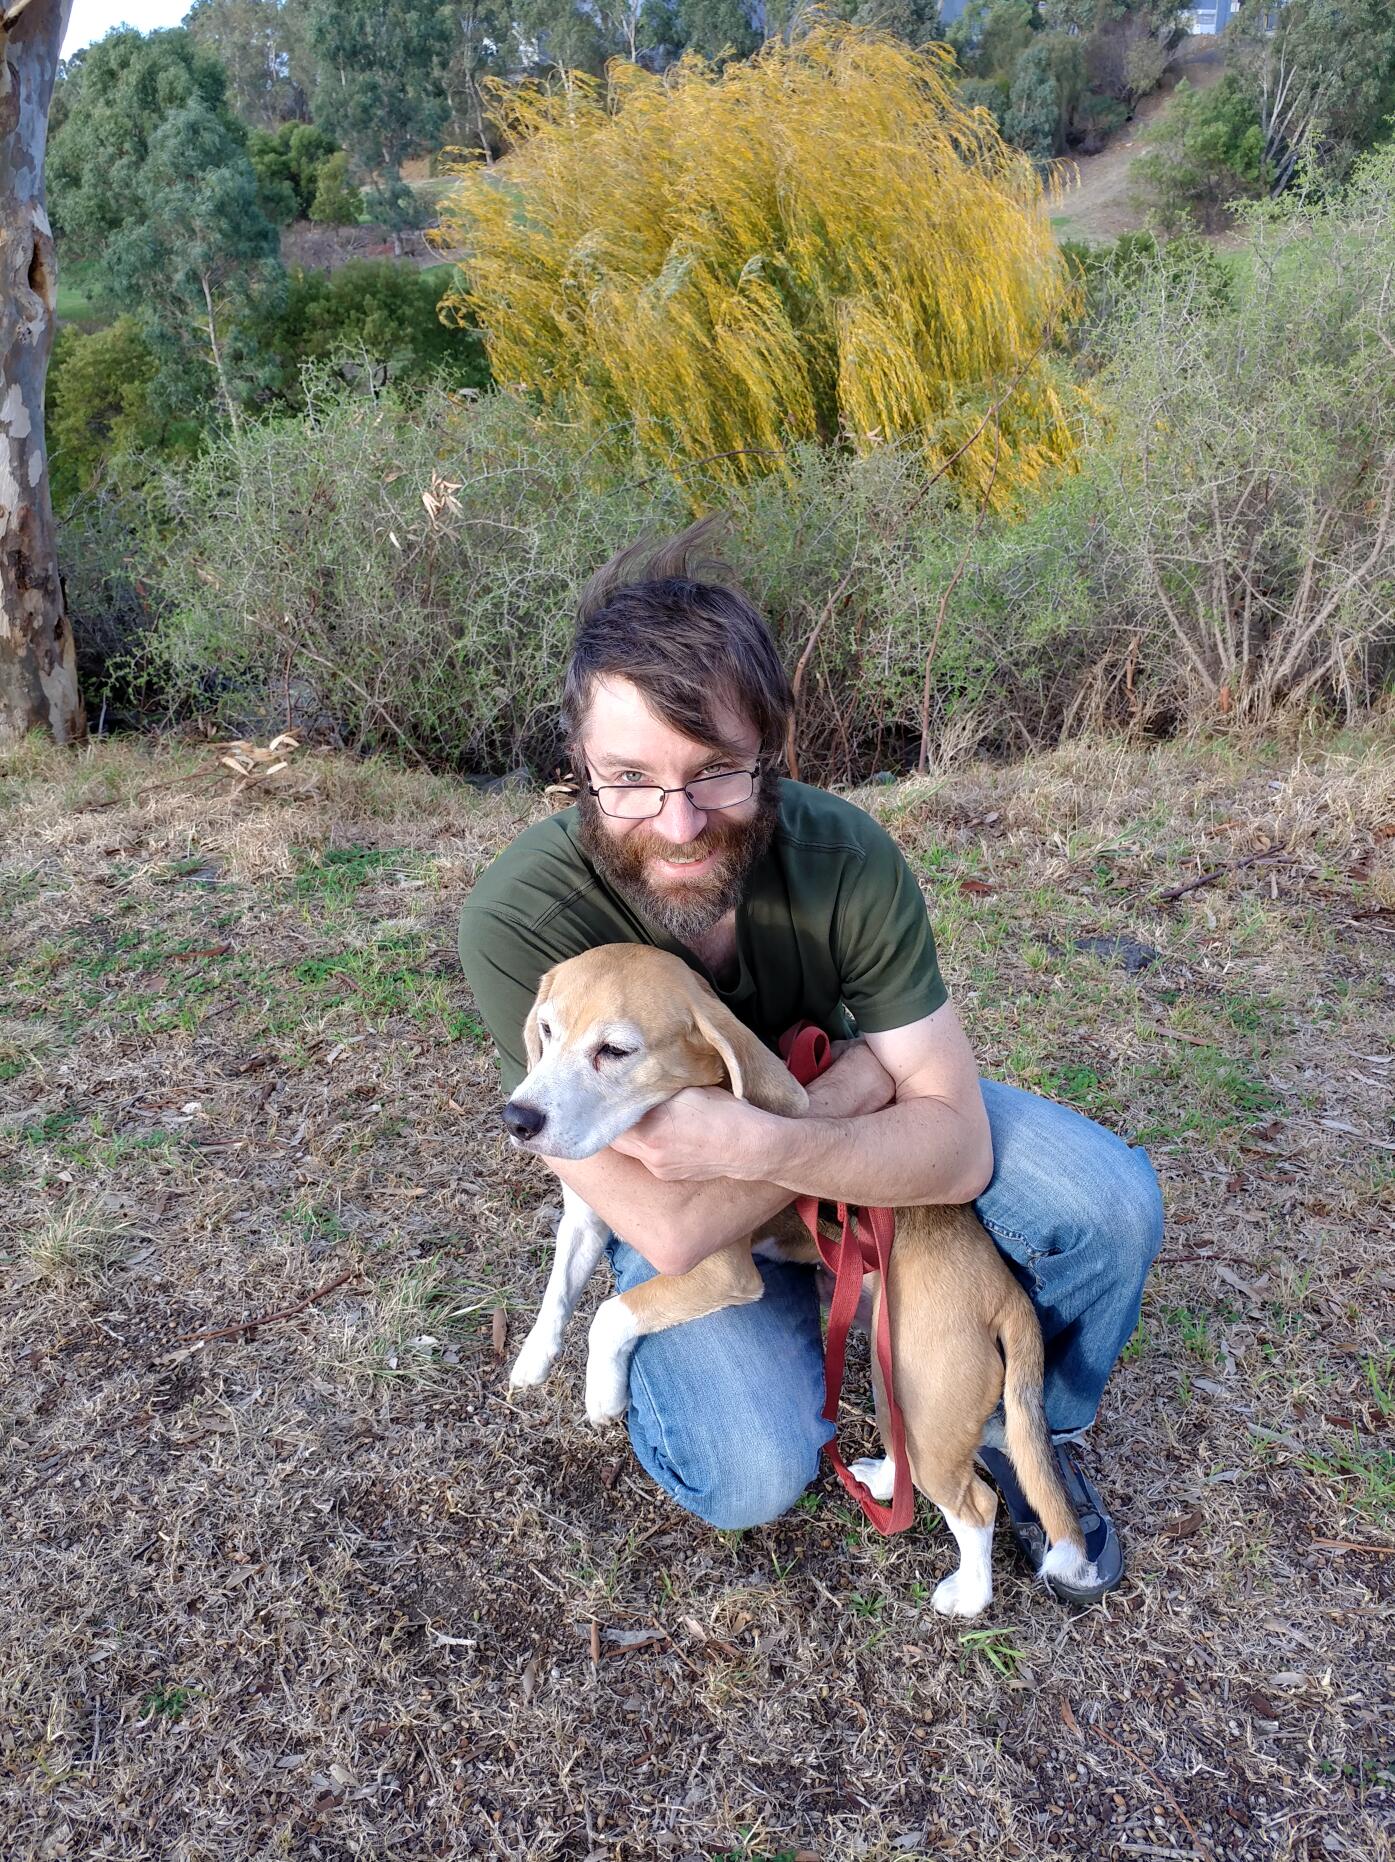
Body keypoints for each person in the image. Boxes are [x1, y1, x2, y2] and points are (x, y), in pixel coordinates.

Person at [458, 521, 1163, 1603]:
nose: (678, 824)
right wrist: (860, 1086)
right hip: (738, 1170)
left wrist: (770, 1131)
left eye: (716, 772)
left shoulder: (846, 855)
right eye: (629, 778)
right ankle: (856, 1345)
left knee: (1109, 1205)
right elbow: (674, 1229)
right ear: (579, 764)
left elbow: (957, 1146)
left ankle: (1010, 1432)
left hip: (809, 1134)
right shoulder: (521, 919)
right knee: (747, 1467)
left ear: (772, 750)